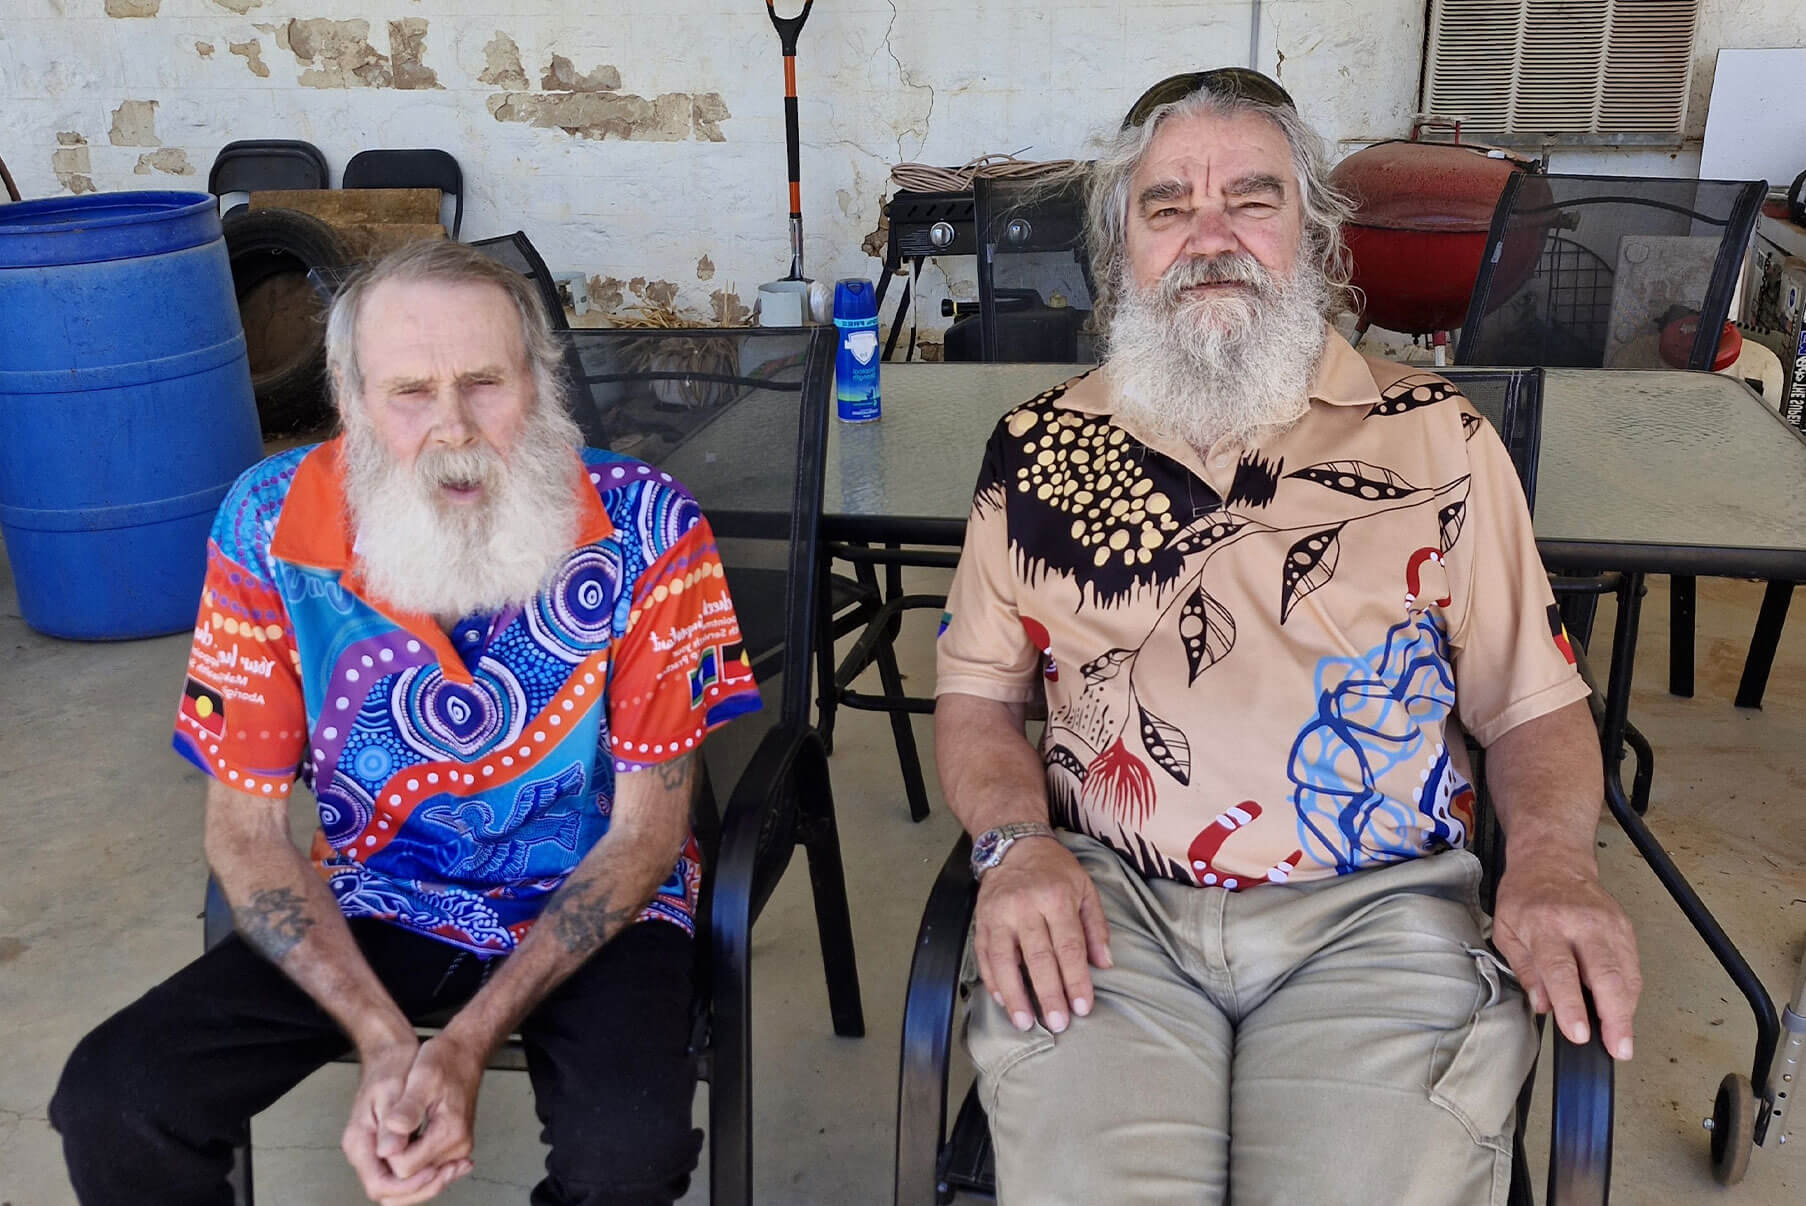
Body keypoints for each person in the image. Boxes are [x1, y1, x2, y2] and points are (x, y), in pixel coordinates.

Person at [933, 69, 1641, 1204]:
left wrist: (1556, 864)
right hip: (1108, 908)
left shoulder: (1438, 440)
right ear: (1123, 250)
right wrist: (1016, 847)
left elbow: (1532, 705)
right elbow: (977, 698)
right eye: (1168, 206)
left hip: (1380, 918)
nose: (1209, 236)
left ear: (1312, 237)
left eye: (1251, 200)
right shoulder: (1035, 448)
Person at [50, 239, 760, 1206]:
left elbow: (645, 835)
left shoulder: (649, 527)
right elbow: (245, 832)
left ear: (541, 382)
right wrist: (385, 1039)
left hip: (596, 895)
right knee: (115, 1098)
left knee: (626, 1155)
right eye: (410, 392)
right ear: (351, 399)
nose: (452, 427)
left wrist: (467, 1044)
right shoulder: (266, 527)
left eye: (485, 383)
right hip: (377, 891)